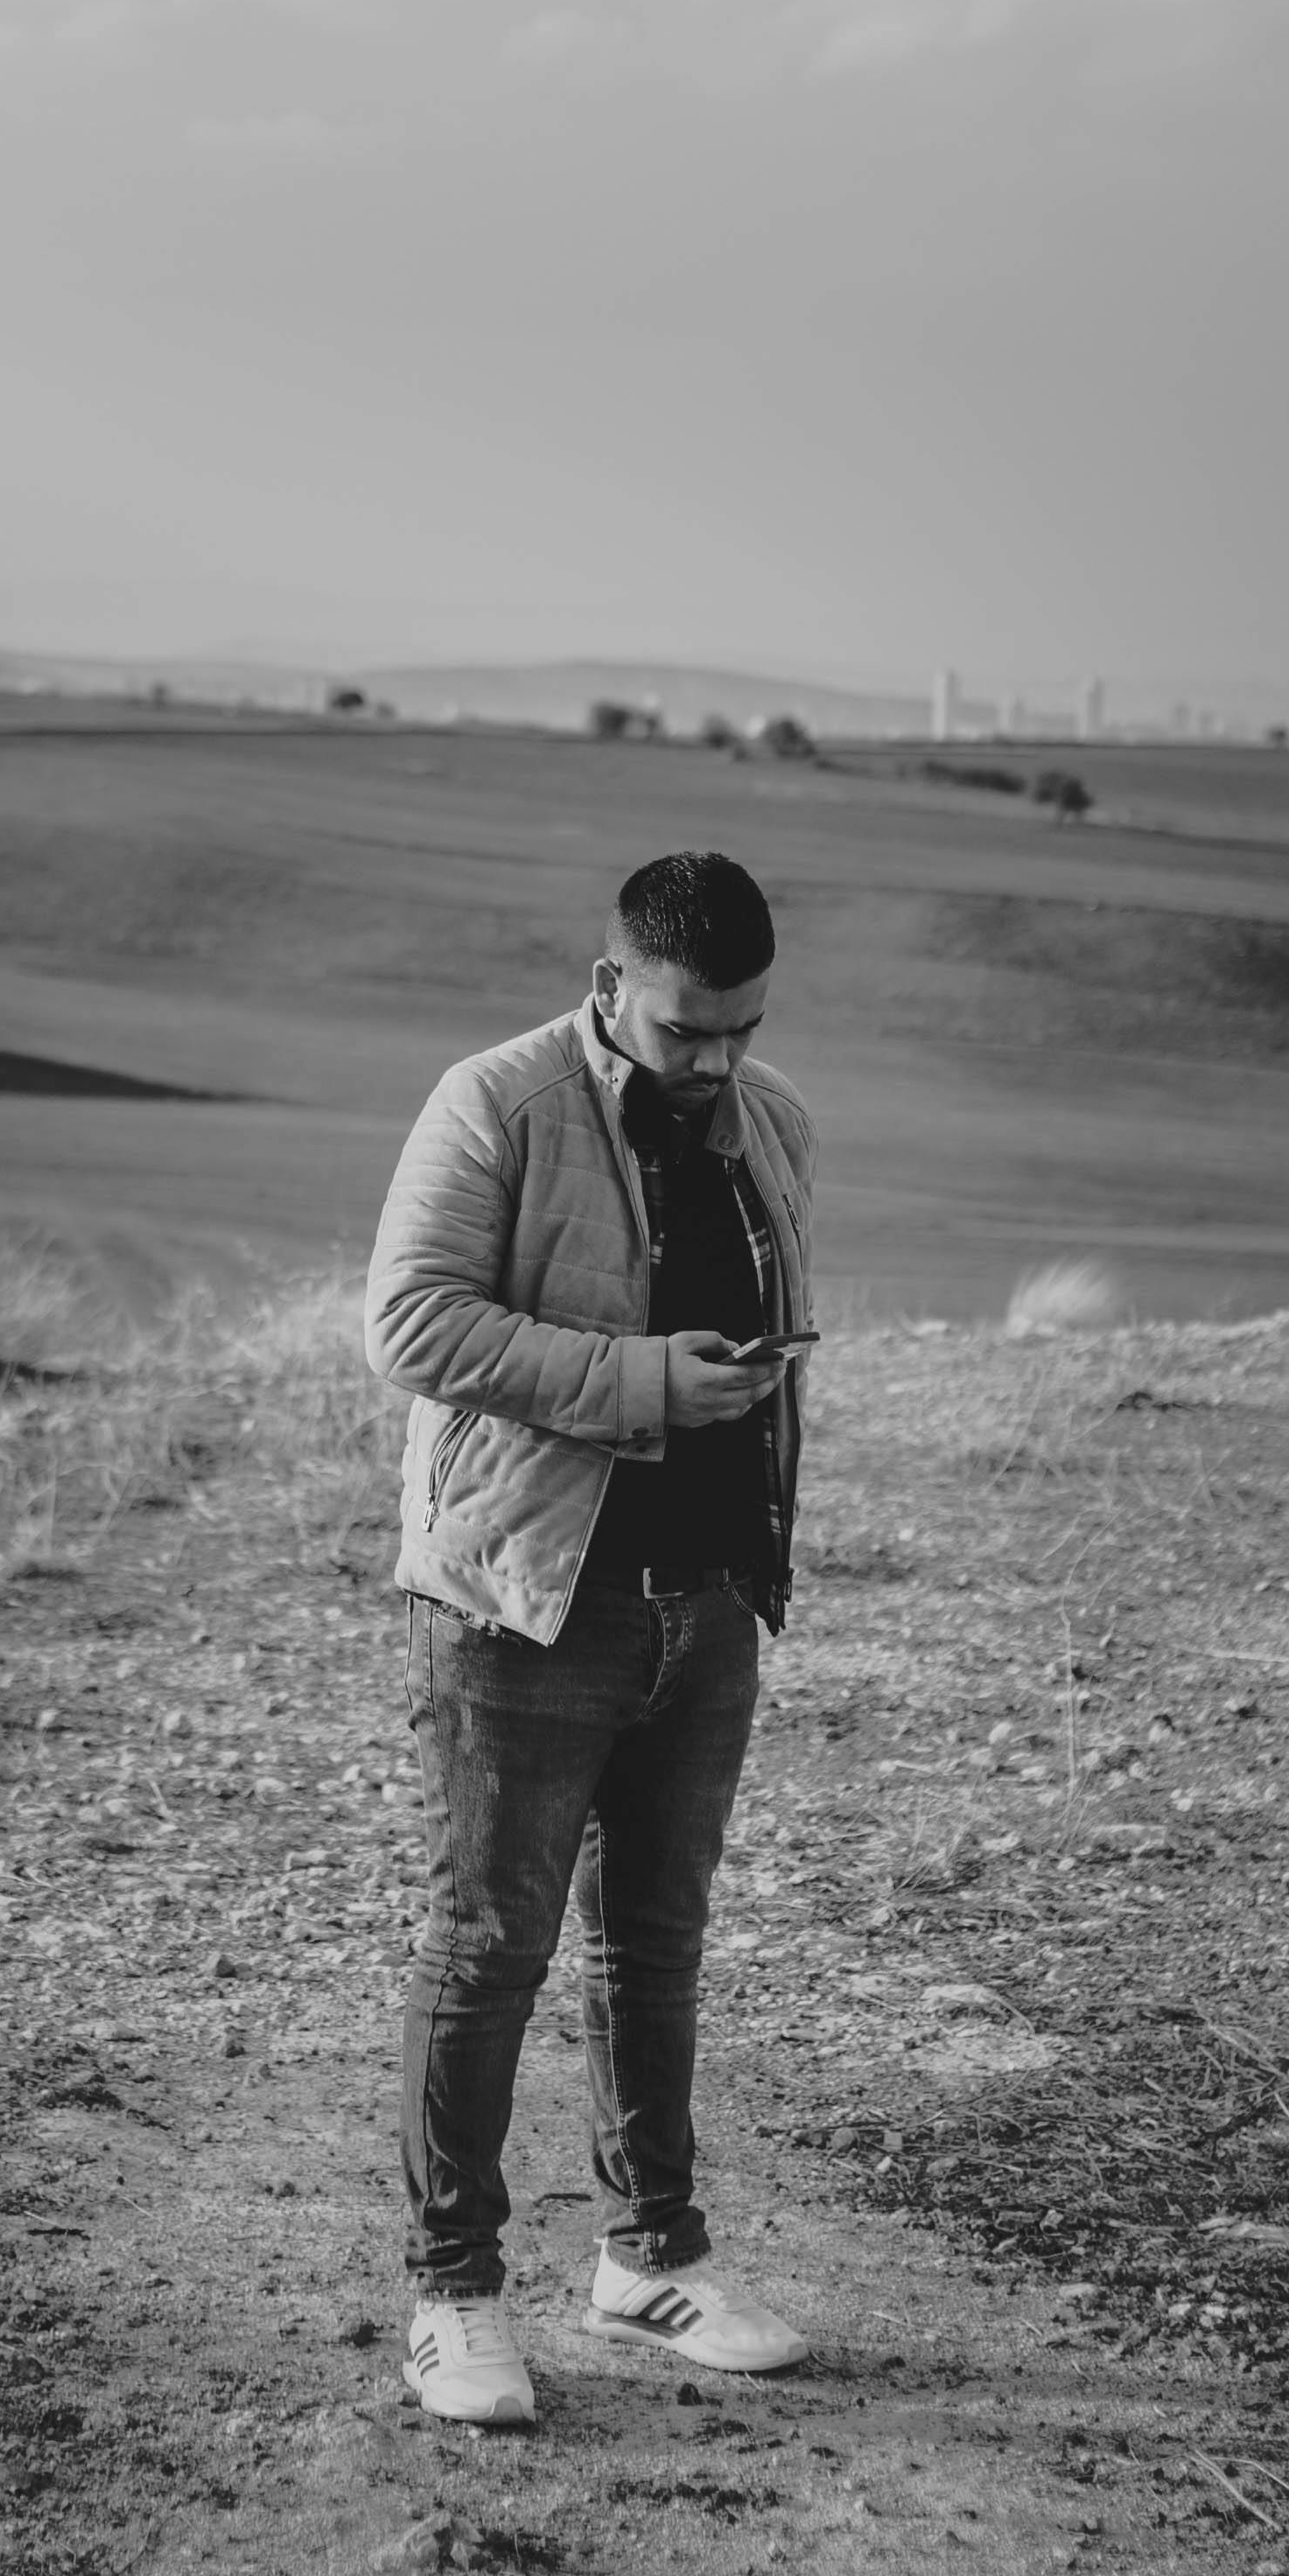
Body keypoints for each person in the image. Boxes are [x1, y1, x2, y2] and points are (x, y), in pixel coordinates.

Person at [362, 848, 816, 2426]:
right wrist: (640, 1384)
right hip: (520, 1606)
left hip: (705, 1603)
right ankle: (452, 2292)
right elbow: (407, 1324)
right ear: (613, 983)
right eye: (691, 1032)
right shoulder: (494, 1102)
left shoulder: (774, 1125)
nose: (719, 1064)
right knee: (489, 1949)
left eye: (744, 1030)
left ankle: (651, 2254)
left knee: (660, 1946)